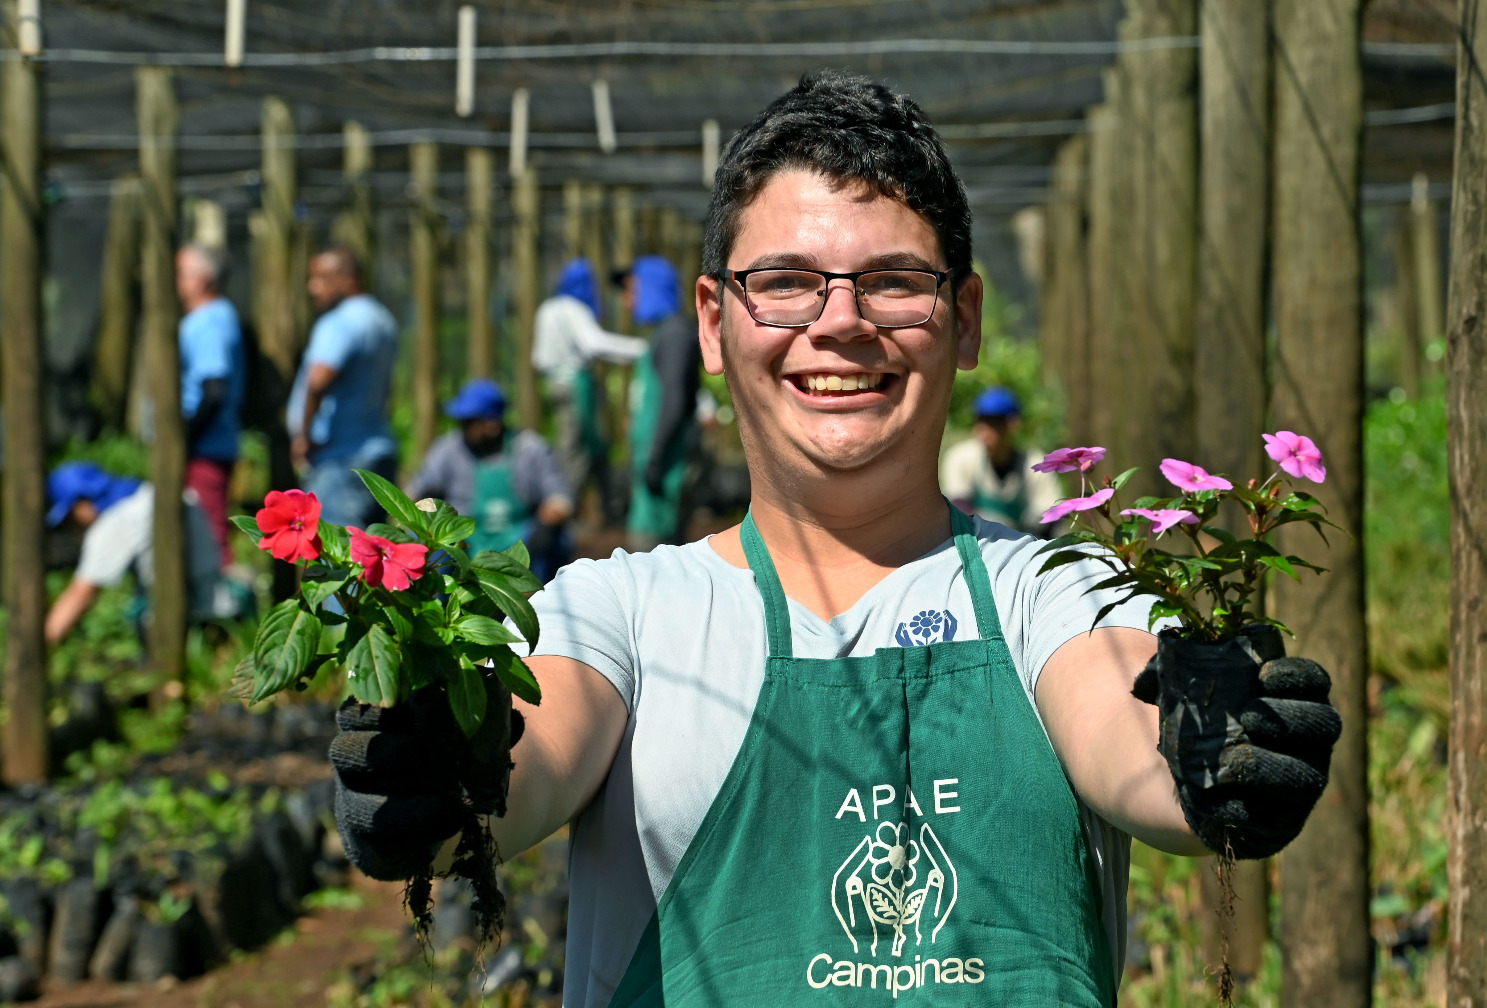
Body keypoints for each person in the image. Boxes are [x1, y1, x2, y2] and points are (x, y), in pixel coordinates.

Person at [331, 72, 1340, 1005]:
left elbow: (1133, 748)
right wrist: (442, 777)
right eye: (784, 281)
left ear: (967, 318)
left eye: (896, 281)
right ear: (716, 324)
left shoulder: (1054, 592)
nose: (841, 322)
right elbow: (527, 762)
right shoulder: (623, 614)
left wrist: (1217, 756)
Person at [407, 378, 576, 582]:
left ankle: (539, 602)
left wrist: (547, 521)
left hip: (517, 537)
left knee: (558, 541)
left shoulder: (529, 448)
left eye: (470, 422)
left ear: (492, 424)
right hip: (463, 540)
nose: (463, 427)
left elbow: (560, 498)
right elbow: (413, 493)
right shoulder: (448, 448)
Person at [43, 461, 221, 647]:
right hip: (217, 610)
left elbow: (81, 593)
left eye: (71, 516)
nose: (74, 527)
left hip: (187, 630)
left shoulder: (117, 522)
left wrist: (41, 643)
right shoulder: (151, 493)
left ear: (82, 503)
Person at [286, 246, 399, 528]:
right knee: (371, 557)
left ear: (349, 280)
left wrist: (304, 436)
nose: (313, 288)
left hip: (341, 460)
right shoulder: (382, 319)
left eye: (322, 278)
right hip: (378, 451)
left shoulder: (339, 322)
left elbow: (318, 379)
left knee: (339, 561)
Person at [533, 258, 647, 522]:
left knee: (582, 445)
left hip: (555, 385)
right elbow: (594, 344)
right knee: (578, 449)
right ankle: (567, 510)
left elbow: (538, 359)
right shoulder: (574, 309)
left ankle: (602, 507)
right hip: (576, 386)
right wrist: (642, 349)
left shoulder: (546, 309)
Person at [622, 255, 701, 550]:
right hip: (657, 458)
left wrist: (655, 458)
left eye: (632, 291)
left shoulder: (675, 335)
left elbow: (674, 399)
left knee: (653, 551)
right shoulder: (662, 334)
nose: (627, 302)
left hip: (669, 460)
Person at [175, 243, 247, 564]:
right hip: (214, 444)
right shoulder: (222, 315)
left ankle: (221, 607)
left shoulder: (206, 322)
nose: (175, 282)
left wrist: (185, 441)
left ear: (202, 278)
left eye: (180, 274)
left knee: (209, 534)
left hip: (205, 448)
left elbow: (214, 389)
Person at [940, 385, 1062, 534]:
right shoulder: (961, 457)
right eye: (980, 421)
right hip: (977, 542)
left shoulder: (1035, 463)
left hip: (1025, 544)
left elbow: (1053, 515)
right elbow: (959, 507)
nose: (983, 431)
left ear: (1011, 425)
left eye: (992, 423)